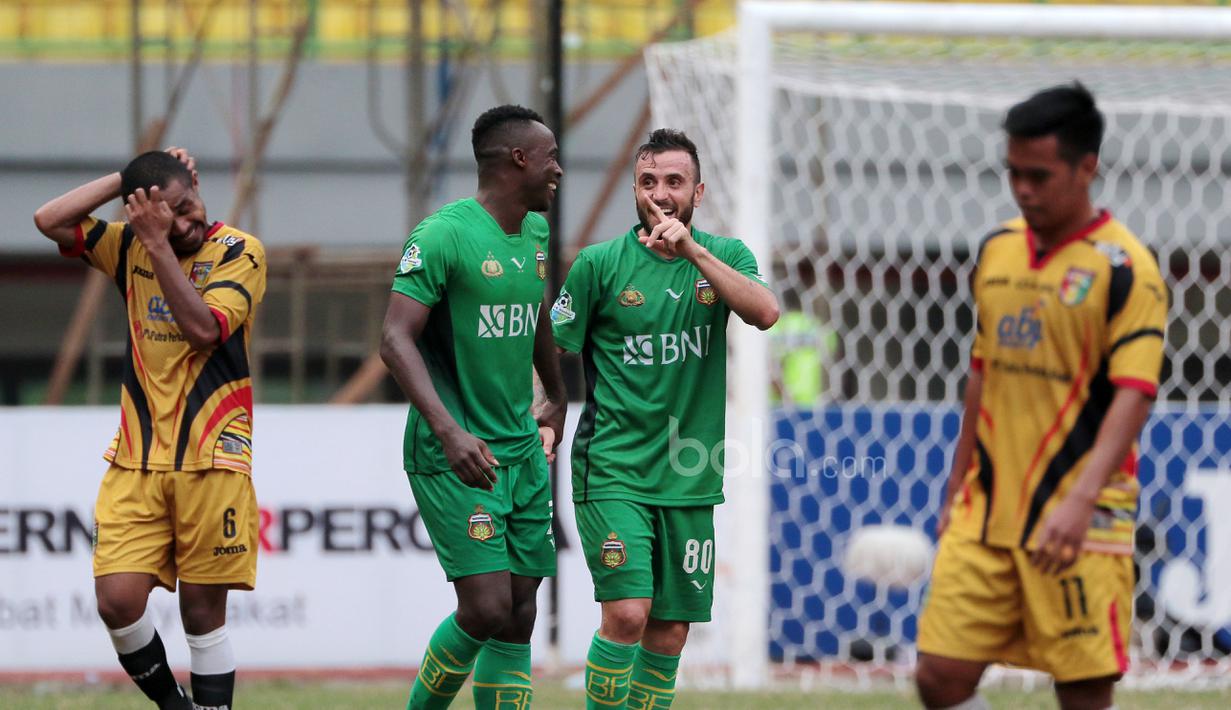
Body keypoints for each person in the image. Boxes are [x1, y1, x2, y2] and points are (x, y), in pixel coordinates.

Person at [915, 82, 1167, 710]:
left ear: (1088, 167)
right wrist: (955, 486)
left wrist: (1081, 500)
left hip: (1082, 513)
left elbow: (1135, 393)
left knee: (1083, 692)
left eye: (1039, 175)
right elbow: (982, 372)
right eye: (1013, 174)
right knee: (939, 678)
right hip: (988, 507)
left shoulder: (1125, 268)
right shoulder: (998, 250)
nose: (1023, 189)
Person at [551, 128, 779, 709]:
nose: (659, 194)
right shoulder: (599, 265)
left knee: (670, 632)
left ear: (697, 193)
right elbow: (549, 352)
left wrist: (693, 254)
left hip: (689, 474)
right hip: (613, 468)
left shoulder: (725, 257)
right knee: (628, 614)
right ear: (633, 189)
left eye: (673, 182)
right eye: (648, 182)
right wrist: (543, 416)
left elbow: (765, 312)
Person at [33, 147, 267, 710]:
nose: (184, 220)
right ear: (142, 212)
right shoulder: (128, 245)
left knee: (202, 616)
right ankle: (175, 705)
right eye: (168, 212)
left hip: (214, 458)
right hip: (135, 459)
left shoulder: (239, 251)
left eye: (189, 204)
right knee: (116, 601)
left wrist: (158, 239)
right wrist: (130, 177)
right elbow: (49, 220)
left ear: (196, 185)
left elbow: (204, 330)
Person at [379, 104, 567, 709]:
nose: (558, 169)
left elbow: (535, 310)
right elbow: (394, 339)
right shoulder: (442, 235)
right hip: (459, 453)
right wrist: (449, 432)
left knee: (517, 613)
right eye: (550, 157)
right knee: (485, 607)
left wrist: (558, 394)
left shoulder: (534, 232)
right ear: (519, 160)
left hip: (520, 448)